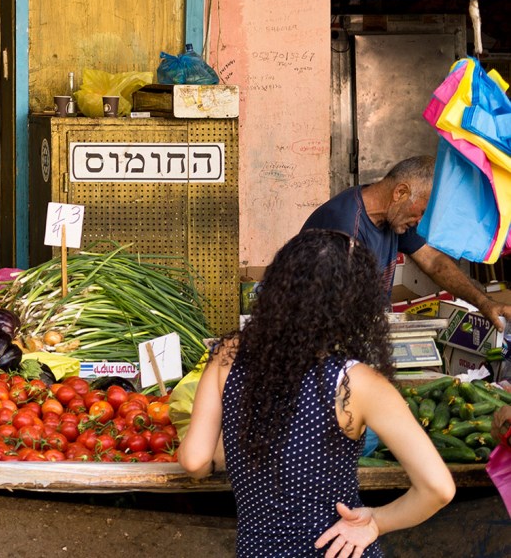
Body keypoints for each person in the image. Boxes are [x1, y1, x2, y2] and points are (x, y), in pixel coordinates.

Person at [178, 229, 455, 556]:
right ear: (354, 303)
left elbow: (196, 460)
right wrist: (376, 522)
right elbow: (438, 488)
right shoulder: (358, 383)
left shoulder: (229, 355)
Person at [303, 155, 511, 329]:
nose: (421, 221)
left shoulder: (394, 216)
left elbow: (434, 262)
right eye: (422, 212)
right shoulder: (345, 226)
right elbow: (333, 313)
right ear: (401, 193)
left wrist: (484, 303)